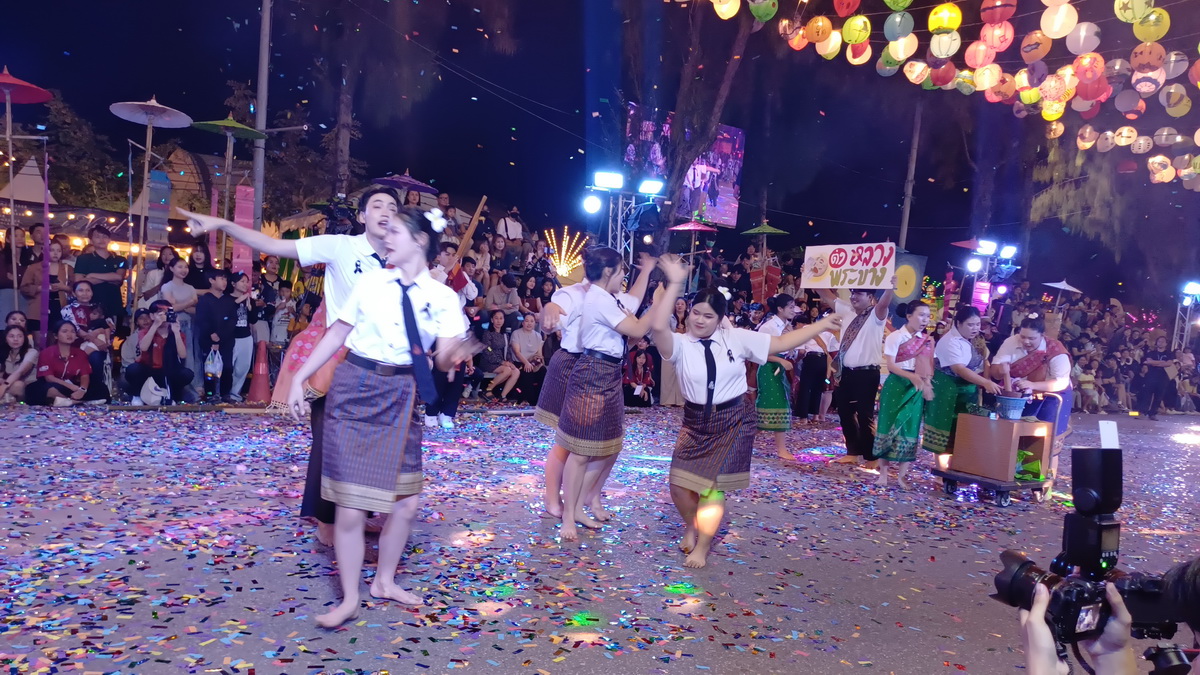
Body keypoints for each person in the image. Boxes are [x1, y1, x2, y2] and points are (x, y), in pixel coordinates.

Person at [284, 205, 475, 628]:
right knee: (351, 507)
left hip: (403, 394)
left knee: (406, 503)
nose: (386, 238)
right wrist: (299, 377)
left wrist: (455, 352)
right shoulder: (371, 281)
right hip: (355, 387)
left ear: (420, 241)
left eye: (395, 232)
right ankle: (349, 598)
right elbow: (337, 331)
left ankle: (384, 581)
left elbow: (444, 358)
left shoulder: (443, 297)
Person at [182, 187, 404, 546]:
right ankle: (326, 521)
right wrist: (222, 224)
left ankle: (357, 515)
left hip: (379, 365)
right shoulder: (340, 246)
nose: (386, 211)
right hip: (336, 359)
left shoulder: (401, 259)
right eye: (377, 205)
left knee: (368, 444)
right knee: (330, 441)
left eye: (392, 207)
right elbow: (272, 246)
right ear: (362, 216)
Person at [651, 256, 842, 568]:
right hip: (695, 422)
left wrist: (819, 325)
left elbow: (781, 342)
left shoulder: (736, 338)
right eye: (696, 313)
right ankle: (691, 525)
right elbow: (658, 326)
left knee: (712, 488)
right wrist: (674, 282)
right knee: (679, 485)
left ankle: (703, 546)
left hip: (734, 418)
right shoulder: (680, 344)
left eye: (708, 316)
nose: (700, 320)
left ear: (720, 319)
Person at [556, 247, 656, 541]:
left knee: (610, 445)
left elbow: (633, 302)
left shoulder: (609, 297)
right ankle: (568, 515)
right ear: (609, 271)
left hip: (609, 372)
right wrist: (661, 301)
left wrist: (647, 273)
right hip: (592, 373)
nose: (624, 275)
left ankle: (581, 505)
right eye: (622, 270)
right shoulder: (598, 299)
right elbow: (637, 327)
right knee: (580, 451)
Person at [816, 282, 896, 466]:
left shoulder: (876, 314)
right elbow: (825, 294)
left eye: (859, 293)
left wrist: (890, 288)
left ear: (870, 297)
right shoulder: (847, 309)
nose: (853, 296)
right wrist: (812, 275)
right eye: (852, 292)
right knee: (845, 413)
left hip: (867, 374)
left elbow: (884, 304)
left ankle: (871, 456)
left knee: (865, 415)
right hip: (845, 373)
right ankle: (852, 452)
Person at [990, 316, 1074, 484]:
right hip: (1024, 395)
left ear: (1042, 335)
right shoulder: (1011, 342)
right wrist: (1001, 371)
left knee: (1050, 443)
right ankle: (1018, 479)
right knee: (1020, 437)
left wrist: (1033, 384)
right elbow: (995, 371)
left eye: (1032, 338)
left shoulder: (1055, 350)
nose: (1026, 342)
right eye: (1023, 337)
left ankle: (1045, 486)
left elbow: (1061, 382)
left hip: (1054, 396)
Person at [923, 306, 1002, 470]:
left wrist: (986, 380)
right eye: (970, 325)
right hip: (948, 390)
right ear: (958, 323)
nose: (975, 328)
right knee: (945, 428)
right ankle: (941, 472)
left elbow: (984, 361)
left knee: (964, 429)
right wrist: (985, 382)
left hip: (968, 391)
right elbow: (959, 369)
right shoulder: (950, 341)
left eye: (977, 324)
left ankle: (957, 468)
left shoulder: (976, 339)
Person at [872, 302, 935, 489]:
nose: (925, 319)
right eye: (921, 315)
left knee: (910, 428)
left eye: (928, 316)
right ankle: (883, 474)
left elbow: (927, 367)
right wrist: (912, 377)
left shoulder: (926, 340)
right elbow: (891, 366)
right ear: (909, 316)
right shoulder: (895, 337)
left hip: (915, 387)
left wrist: (926, 383)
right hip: (897, 385)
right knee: (888, 425)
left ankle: (901, 476)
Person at [124, 300, 194, 404]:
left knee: (187, 374)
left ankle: (172, 396)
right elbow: (143, 347)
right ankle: (137, 395)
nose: (163, 316)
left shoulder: (176, 333)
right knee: (133, 369)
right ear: (152, 316)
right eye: (159, 313)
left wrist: (176, 332)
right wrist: (155, 325)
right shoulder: (145, 332)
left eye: (166, 313)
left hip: (169, 369)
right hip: (148, 369)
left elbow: (182, 355)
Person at [756, 294, 799, 460]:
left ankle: (780, 448)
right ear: (780, 309)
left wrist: (791, 349)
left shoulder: (788, 326)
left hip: (781, 369)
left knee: (781, 405)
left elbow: (792, 351)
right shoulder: (768, 327)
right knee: (772, 405)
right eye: (790, 307)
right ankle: (780, 449)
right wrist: (780, 359)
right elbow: (759, 353)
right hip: (769, 369)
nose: (794, 310)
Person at [60, 280, 112, 402]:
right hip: (75, 345)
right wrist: (94, 337)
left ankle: (96, 393)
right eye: (81, 290)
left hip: (98, 346)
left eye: (88, 290)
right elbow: (76, 330)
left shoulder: (99, 308)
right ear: (74, 293)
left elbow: (110, 326)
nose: (85, 293)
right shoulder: (68, 309)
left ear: (92, 293)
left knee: (96, 358)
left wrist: (99, 332)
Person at [26, 321, 92, 406]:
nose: (69, 334)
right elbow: (49, 378)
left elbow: (85, 375)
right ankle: (70, 401)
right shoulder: (46, 353)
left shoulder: (80, 353)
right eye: (65, 331)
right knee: (46, 389)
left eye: (73, 331)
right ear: (55, 336)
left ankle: (63, 401)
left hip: (72, 386)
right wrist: (71, 386)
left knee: (100, 387)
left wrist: (82, 389)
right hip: (54, 384)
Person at [195, 270, 236, 401]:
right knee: (209, 369)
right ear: (212, 280)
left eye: (226, 279)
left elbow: (232, 320)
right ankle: (210, 394)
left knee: (227, 368)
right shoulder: (205, 299)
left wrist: (221, 335)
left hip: (226, 340)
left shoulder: (229, 300)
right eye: (221, 279)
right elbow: (201, 319)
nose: (224, 282)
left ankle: (225, 394)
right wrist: (211, 334)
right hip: (208, 340)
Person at [72, 226, 128, 323]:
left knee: (113, 331)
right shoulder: (84, 258)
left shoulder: (120, 259)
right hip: (91, 304)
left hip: (113, 303)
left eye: (104, 236)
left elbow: (119, 277)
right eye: (97, 237)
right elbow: (79, 281)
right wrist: (110, 277)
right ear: (91, 240)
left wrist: (91, 275)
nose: (101, 239)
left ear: (109, 239)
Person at [160, 257, 200, 393]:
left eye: (186, 267)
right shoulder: (167, 286)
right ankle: (171, 388)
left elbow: (196, 310)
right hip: (172, 325)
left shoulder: (190, 288)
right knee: (172, 356)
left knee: (190, 356)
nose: (184, 270)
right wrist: (189, 303)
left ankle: (192, 388)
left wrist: (180, 306)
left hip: (190, 324)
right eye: (180, 267)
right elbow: (170, 308)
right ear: (171, 268)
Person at [20, 239, 73, 333]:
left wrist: (63, 287)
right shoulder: (34, 267)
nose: (55, 253)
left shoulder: (67, 269)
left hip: (59, 307)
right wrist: (39, 288)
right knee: (38, 338)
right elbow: (24, 288)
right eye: (52, 250)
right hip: (38, 308)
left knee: (57, 337)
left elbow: (76, 288)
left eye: (59, 251)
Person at [479, 311, 520, 402]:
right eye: (496, 318)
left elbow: (508, 350)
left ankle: (503, 395)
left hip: (503, 362)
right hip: (489, 362)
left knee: (516, 371)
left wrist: (510, 362)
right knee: (507, 370)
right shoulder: (488, 334)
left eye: (501, 318)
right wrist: (502, 362)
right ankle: (488, 389)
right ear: (492, 320)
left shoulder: (505, 335)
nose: (499, 321)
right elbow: (488, 350)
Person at [658, 297, 689, 408]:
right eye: (677, 304)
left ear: (686, 306)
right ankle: (667, 399)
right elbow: (664, 331)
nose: (679, 306)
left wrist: (684, 330)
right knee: (668, 374)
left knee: (682, 374)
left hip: (684, 348)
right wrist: (676, 331)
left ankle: (681, 400)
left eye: (682, 304)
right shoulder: (669, 317)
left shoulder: (689, 318)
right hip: (670, 347)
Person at [509, 313, 546, 405]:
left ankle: (539, 400)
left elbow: (539, 354)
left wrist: (537, 361)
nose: (529, 323)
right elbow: (517, 352)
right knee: (527, 372)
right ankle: (528, 401)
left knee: (543, 371)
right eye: (527, 321)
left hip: (533, 362)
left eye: (532, 321)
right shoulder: (516, 333)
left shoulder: (538, 335)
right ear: (523, 322)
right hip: (520, 362)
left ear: (535, 323)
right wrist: (526, 363)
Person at [1140, 336, 1174, 420]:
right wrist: (1162, 362)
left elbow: (1169, 363)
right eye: (1159, 341)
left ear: (1166, 344)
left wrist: (1155, 363)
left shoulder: (1169, 353)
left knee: (1159, 395)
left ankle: (1153, 413)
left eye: (1163, 342)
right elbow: (1149, 361)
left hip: (1163, 376)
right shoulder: (1152, 352)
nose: (1160, 343)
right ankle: (1143, 412)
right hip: (1151, 375)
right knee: (1147, 394)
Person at [0, 325, 37, 403]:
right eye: (11, 336)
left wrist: (4, 385)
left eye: (19, 336)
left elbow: (20, 372)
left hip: (29, 386)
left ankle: (17, 404)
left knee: (17, 385)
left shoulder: (31, 352)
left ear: (24, 338)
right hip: (8, 385)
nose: (15, 339)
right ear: (6, 339)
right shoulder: (4, 353)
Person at [137, 246, 178, 310]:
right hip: (153, 308)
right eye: (163, 254)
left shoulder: (178, 275)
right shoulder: (153, 273)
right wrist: (161, 285)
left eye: (170, 254)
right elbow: (146, 295)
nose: (167, 256)